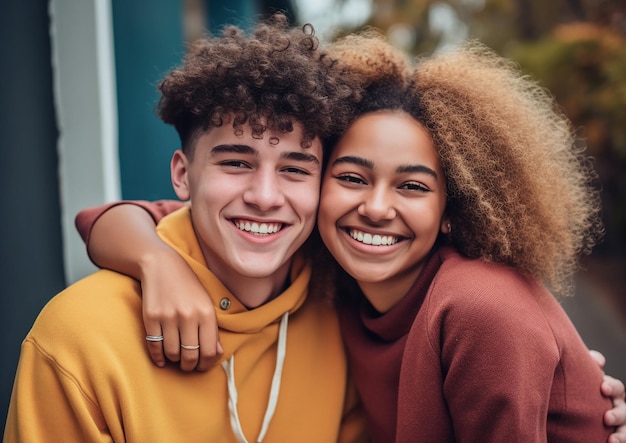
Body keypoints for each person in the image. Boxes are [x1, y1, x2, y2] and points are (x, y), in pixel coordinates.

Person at [70, 35, 626, 441]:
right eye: (352, 178)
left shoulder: (480, 309)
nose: (375, 208)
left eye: (411, 186)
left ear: (452, 210)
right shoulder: (324, 263)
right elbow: (117, 217)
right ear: (319, 187)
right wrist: (155, 262)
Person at [3, 14, 368, 442]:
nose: (265, 197)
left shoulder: (341, 309)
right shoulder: (80, 336)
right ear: (182, 175)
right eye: (236, 162)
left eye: (294, 169)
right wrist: (155, 261)